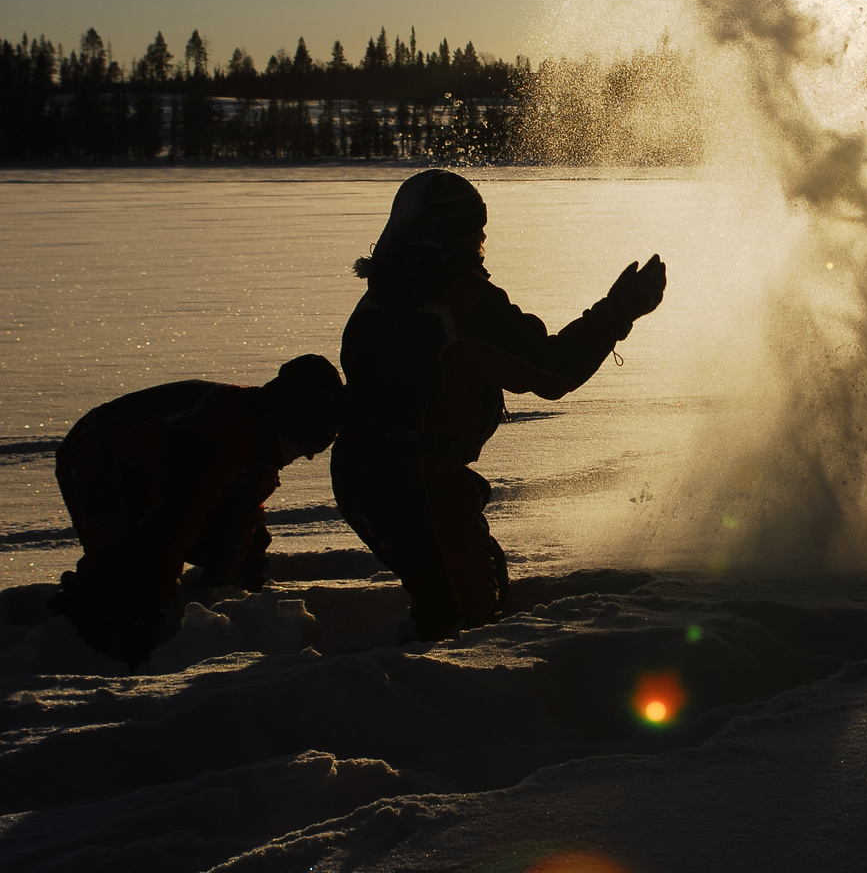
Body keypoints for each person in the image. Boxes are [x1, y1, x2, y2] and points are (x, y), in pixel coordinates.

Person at [333, 169, 665, 641]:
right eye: (476, 229)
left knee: (476, 587)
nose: (482, 240)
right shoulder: (463, 302)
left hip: (367, 475)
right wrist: (618, 311)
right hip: (416, 484)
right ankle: (377, 692)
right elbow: (552, 370)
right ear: (452, 233)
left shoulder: (381, 296)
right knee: (462, 622)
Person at [49, 354, 343, 665]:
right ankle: (71, 643)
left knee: (229, 544)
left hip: (161, 475)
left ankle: (184, 599)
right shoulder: (208, 440)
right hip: (101, 459)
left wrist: (241, 586)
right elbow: (170, 529)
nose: (307, 457)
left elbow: (246, 518)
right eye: (304, 447)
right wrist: (152, 615)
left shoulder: (257, 442)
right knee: (121, 562)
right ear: (285, 427)